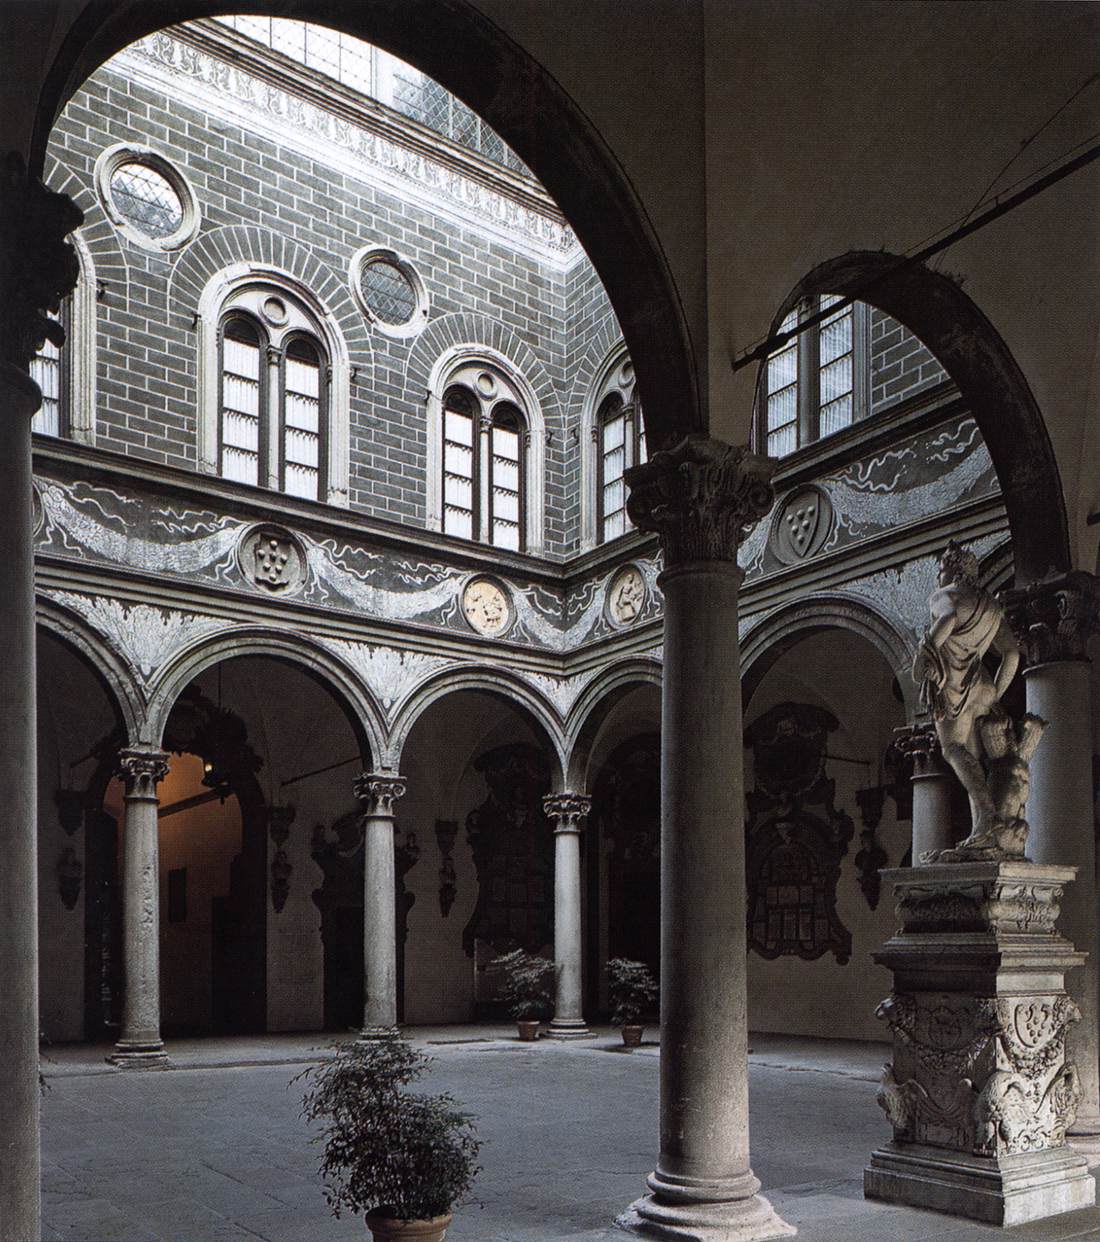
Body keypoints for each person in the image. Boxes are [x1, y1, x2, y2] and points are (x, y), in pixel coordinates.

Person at [912, 541, 1021, 851]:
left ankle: (988, 817)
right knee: (975, 760)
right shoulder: (990, 605)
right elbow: (1011, 654)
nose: (939, 577)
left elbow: (946, 619)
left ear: (953, 571)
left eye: (942, 570)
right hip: (982, 684)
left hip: (952, 686)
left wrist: (927, 653)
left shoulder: (947, 596)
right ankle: (984, 833)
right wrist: (997, 692)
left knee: (954, 750)